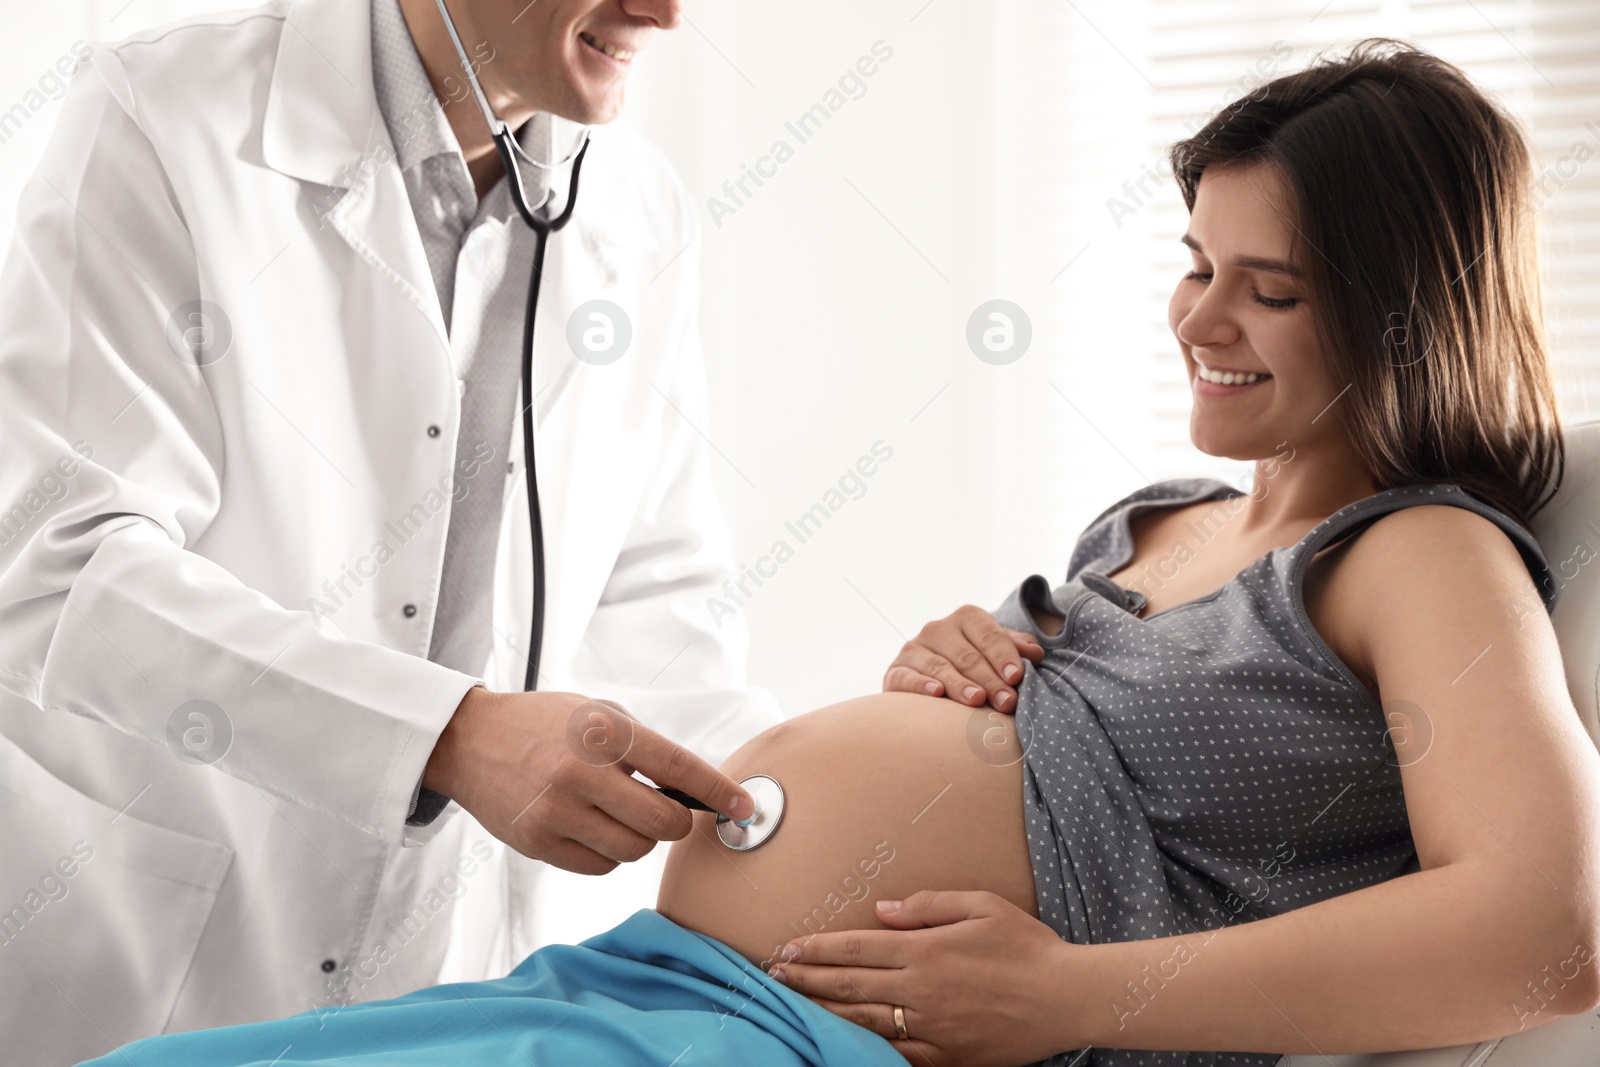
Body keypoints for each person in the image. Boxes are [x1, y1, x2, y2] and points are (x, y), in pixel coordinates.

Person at [78, 39, 1600, 1067]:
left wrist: (1076, 993)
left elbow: (1545, 932)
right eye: (1194, 262)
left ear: (1413, 307)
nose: (1199, 320)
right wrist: (944, 680)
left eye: (1267, 288)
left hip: (817, 1039)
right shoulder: (1157, 521)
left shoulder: (1416, 554)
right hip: (651, 974)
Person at [0, 0, 780, 1062]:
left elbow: (656, 596)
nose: (668, 11)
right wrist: (447, 736)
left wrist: (787, 811)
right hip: (146, 959)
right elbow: (61, 574)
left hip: (447, 981)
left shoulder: (643, 214)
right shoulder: (167, 116)